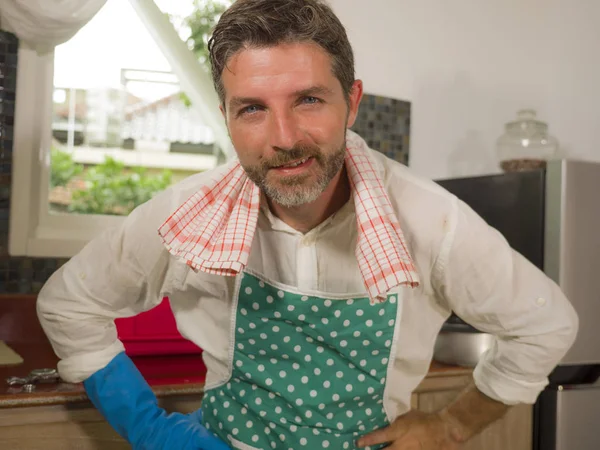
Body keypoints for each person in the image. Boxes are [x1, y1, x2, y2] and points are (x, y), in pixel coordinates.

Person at [37, 0, 579, 449]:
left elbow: (545, 324)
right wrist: (150, 430)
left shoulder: (429, 219)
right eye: (252, 108)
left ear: (352, 103)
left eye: (309, 100)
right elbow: (69, 303)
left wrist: (454, 424)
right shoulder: (189, 214)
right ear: (226, 117)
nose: (284, 137)